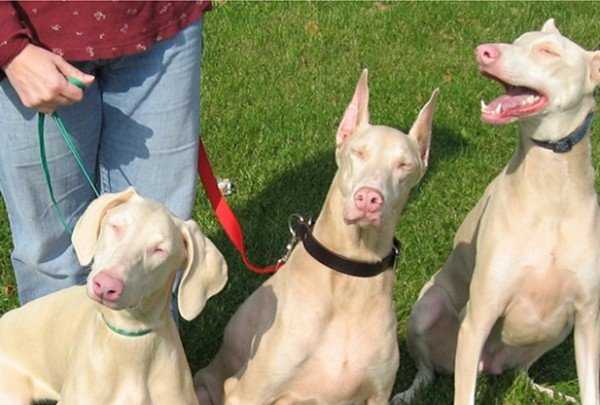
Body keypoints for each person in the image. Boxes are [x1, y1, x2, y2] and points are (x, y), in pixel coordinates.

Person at [0, 1, 210, 305]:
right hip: (34, 32)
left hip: (160, 17)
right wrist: (9, 47)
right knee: (52, 257)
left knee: (157, 240)